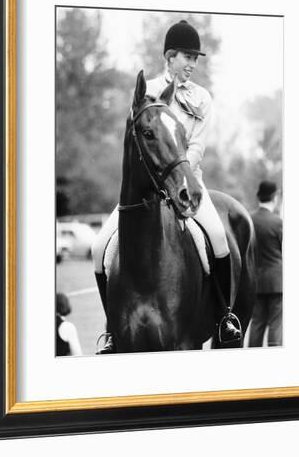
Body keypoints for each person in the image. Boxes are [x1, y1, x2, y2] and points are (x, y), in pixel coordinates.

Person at [92, 20, 240, 353]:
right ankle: (113, 329)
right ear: (169, 56)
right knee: (99, 247)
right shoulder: (149, 91)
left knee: (217, 239)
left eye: (196, 58)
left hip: (187, 180)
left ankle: (225, 316)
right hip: (146, 187)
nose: (192, 64)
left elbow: (198, 145)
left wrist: (182, 173)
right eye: (187, 56)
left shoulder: (202, 98)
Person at [249, 181, 283, 347]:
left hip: (256, 280)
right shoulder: (278, 222)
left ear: (258, 196)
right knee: (276, 324)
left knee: (256, 323)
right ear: (274, 197)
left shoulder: (248, 218)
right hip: (277, 281)